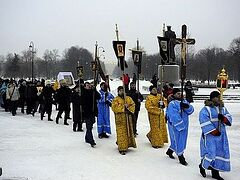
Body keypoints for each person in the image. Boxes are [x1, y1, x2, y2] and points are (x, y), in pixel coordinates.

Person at [198, 91, 232, 180]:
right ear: (212, 98)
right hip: (210, 136)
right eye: (217, 97)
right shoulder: (206, 109)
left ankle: (215, 172)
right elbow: (203, 120)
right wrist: (213, 131)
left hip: (221, 135)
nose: (218, 99)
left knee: (219, 153)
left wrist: (224, 118)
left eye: (219, 97)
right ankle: (202, 166)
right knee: (211, 153)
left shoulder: (223, 109)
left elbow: (229, 118)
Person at [165, 88, 194, 165]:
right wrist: (180, 125)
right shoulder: (172, 104)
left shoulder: (184, 101)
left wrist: (186, 106)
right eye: (178, 93)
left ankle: (170, 151)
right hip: (175, 125)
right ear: (174, 94)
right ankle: (181, 156)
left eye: (180, 93)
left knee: (182, 139)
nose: (180, 95)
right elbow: (173, 115)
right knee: (177, 139)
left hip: (185, 124)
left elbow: (191, 111)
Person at [111, 86, 136, 155]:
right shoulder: (115, 99)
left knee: (128, 132)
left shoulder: (128, 98)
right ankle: (122, 148)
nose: (122, 92)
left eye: (123, 90)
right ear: (118, 91)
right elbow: (114, 108)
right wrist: (123, 107)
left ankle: (127, 144)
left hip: (128, 118)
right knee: (121, 133)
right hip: (120, 119)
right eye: (120, 90)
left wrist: (128, 107)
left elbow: (133, 105)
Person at [82, 82, 100, 147]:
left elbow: (99, 97)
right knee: (89, 127)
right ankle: (91, 141)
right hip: (87, 112)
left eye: (89, 85)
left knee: (90, 126)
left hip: (93, 112)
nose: (89, 86)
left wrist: (94, 90)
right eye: (87, 85)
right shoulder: (83, 92)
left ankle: (87, 138)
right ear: (85, 87)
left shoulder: (93, 92)